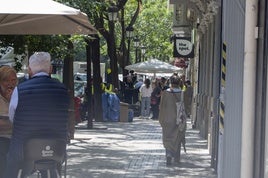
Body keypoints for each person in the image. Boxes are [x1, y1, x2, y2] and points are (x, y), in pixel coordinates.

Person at [4, 52, 70, 178]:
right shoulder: (63, 90)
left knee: (12, 162)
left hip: (23, 149)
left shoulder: (20, 89)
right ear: (50, 69)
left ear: (29, 70)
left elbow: (12, 117)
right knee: (51, 164)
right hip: (56, 148)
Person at [158, 74, 186, 166]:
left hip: (167, 119)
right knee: (177, 137)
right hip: (178, 120)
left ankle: (168, 154)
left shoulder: (165, 93)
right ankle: (177, 157)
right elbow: (185, 107)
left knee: (167, 138)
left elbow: (162, 106)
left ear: (170, 82)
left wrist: (161, 119)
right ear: (179, 83)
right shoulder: (182, 93)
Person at [0, 66, 18, 178]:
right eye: (6, 80)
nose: (10, 84)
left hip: (18, 138)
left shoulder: (20, 97)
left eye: (13, 80)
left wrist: (13, 101)